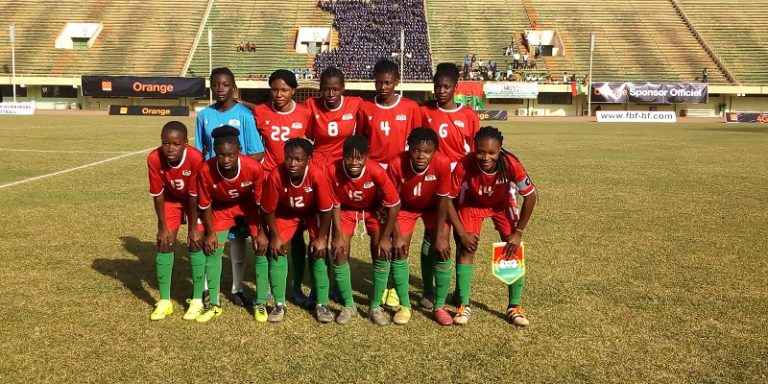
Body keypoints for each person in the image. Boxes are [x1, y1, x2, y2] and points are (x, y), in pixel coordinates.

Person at [448, 126, 537, 326]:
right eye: (480, 151)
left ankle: (514, 306)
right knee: (466, 248)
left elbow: (531, 196)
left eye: (491, 152)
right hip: (471, 204)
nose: (485, 157)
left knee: (513, 247)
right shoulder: (464, 164)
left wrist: (518, 232)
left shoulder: (511, 163)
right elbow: (446, 200)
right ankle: (464, 304)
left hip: (501, 205)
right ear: (474, 148)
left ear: (500, 150)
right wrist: (461, 232)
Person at [195, 67, 264, 308]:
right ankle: (206, 290)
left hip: (239, 191)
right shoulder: (203, 116)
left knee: (238, 239)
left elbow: (256, 151)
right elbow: (201, 154)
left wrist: (236, 176)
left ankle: (237, 288)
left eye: (225, 85)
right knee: (210, 238)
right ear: (211, 86)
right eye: (215, 84)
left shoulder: (244, 115)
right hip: (213, 189)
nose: (220, 89)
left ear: (233, 87)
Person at [357, 58, 422, 307]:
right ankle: (381, 284)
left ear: (396, 82)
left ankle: (396, 286)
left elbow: (417, 142)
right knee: (378, 233)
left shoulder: (410, 108)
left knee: (399, 232)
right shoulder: (365, 108)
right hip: (374, 176)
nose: (382, 87)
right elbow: (362, 141)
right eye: (378, 82)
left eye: (387, 83)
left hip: (400, 174)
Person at [250, 69, 315, 308]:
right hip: (269, 181)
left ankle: (295, 286)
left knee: (297, 234)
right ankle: (269, 286)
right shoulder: (259, 112)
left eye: (284, 90)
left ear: (294, 91)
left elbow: (312, 144)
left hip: (295, 182)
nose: (279, 94)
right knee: (269, 232)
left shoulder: (306, 113)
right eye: (275, 89)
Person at [193, 126, 266, 323]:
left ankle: (260, 301)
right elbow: (205, 204)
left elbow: (261, 203)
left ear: (239, 150)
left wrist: (261, 231)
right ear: (215, 152)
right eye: (221, 155)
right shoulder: (205, 170)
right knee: (213, 249)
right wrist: (210, 232)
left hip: (248, 207)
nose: (226, 160)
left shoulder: (254, 167)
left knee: (261, 248)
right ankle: (214, 303)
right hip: (221, 209)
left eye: (231, 155)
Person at [327, 135, 401, 325]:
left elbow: (393, 204)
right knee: (339, 251)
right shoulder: (332, 170)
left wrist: (386, 237)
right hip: (345, 210)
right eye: (349, 157)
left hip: (373, 210)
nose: (354, 163)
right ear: (342, 156)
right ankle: (349, 305)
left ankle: (375, 306)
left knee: (382, 251)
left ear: (367, 157)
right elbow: (334, 204)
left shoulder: (376, 170)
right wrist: (337, 235)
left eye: (359, 158)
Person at [386, 128, 455, 325]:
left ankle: (439, 305)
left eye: (427, 151)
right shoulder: (396, 163)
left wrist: (441, 236)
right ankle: (405, 306)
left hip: (433, 208)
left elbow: (443, 201)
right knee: (399, 249)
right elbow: (391, 202)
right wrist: (396, 234)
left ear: (435, 151)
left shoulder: (442, 163)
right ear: (409, 149)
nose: (421, 155)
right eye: (416, 150)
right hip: (404, 208)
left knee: (443, 250)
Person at [260, 139, 334, 323]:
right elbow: (268, 209)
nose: (292, 164)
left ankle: (322, 304)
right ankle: (279, 304)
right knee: (277, 249)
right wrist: (275, 236)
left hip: (313, 212)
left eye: (298, 159)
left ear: (308, 159)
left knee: (318, 251)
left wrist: (322, 238)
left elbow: (326, 210)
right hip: (286, 213)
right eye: (289, 158)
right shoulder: (276, 175)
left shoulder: (317, 175)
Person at [147, 121, 206, 321]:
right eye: (165, 143)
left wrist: (192, 228)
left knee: (196, 243)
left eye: (176, 144)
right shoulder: (154, 158)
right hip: (171, 201)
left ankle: (197, 299)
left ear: (185, 143)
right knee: (164, 242)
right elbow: (157, 194)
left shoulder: (196, 157)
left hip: (194, 202)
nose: (170, 148)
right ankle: (165, 301)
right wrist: (163, 226)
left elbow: (194, 196)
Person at [305, 66, 364, 166]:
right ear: (320, 88)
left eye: (335, 89)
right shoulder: (311, 104)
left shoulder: (355, 103)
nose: (331, 94)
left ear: (343, 88)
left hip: (345, 161)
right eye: (326, 89)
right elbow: (308, 134)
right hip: (319, 162)